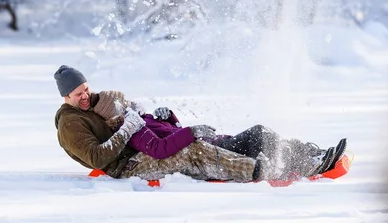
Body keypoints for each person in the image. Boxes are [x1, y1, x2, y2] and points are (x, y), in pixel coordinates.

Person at [54, 65, 344, 183]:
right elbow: (98, 156)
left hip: (167, 143)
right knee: (202, 151)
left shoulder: (122, 113)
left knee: (256, 134)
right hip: (126, 164)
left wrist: (167, 118)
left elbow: (168, 132)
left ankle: (307, 152)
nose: (85, 96)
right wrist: (131, 127)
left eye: (86, 89)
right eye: (78, 93)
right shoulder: (73, 123)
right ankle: (284, 166)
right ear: (65, 96)